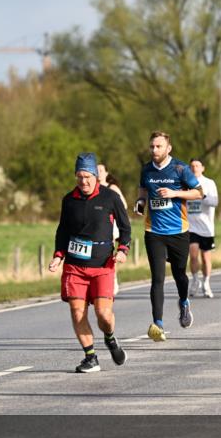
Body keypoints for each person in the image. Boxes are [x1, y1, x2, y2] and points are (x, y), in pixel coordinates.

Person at [49, 153, 131, 371]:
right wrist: (58, 256)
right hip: (74, 266)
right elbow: (62, 231)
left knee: (104, 315)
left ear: (95, 175)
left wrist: (123, 250)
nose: (83, 181)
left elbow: (125, 227)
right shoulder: (69, 200)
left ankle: (110, 337)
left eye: (87, 177)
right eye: (79, 177)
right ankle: (90, 357)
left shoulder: (110, 197)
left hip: (103, 265)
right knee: (77, 312)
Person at [136, 131, 203, 341]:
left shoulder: (180, 168)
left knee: (179, 274)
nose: (154, 150)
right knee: (157, 279)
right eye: (152, 146)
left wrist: (175, 193)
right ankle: (158, 324)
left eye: (159, 146)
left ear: (168, 148)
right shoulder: (146, 169)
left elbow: (199, 192)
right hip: (154, 231)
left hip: (178, 231)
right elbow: (142, 190)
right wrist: (140, 202)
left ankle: (184, 302)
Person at [187, 158, 219, 298]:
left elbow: (215, 202)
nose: (195, 168)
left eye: (197, 166)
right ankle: (195, 280)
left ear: (202, 168)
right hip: (191, 226)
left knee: (206, 258)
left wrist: (202, 195)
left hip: (206, 227)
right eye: (192, 166)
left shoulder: (209, 183)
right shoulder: (185, 182)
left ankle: (206, 283)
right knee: (193, 254)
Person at [97, 163, 127, 295]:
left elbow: (123, 205)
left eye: (101, 170)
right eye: (96, 170)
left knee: (109, 253)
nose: (98, 172)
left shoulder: (112, 187)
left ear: (106, 173)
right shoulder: (92, 187)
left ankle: (112, 281)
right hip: (96, 225)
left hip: (111, 224)